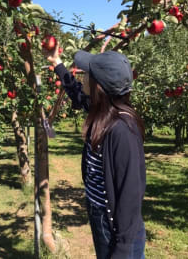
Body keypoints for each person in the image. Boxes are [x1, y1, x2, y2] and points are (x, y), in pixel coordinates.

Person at [44, 44, 146, 259]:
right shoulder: (102, 112)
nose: (83, 78)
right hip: (100, 215)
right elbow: (76, 93)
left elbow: (131, 193)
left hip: (116, 229)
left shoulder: (121, 130)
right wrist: (56, 63)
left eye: (87, 75)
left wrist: (122, 249)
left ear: (98, 86)